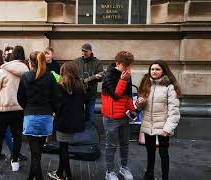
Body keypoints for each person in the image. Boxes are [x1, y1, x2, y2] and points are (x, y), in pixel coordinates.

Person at [0, 45, 29, 173]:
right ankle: (15, 162)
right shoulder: (27, 71)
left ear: (11, 56)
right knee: (17, 136)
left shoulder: (3, 70)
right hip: (19, 108)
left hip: (3, 108)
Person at [17, 51, 58, 180]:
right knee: (37, 152)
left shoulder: (25, 77)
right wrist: (52, 111)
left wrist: (27, 108)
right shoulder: (50, 77)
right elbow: (56, 98)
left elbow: (20, 98)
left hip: (31, 117)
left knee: (35, 152)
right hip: (46, 117)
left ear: (30, 62)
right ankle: (32, 177)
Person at [137, 60, 181, 180]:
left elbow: (174, 110)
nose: (154, 71)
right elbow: (139, 106)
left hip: (163, 126)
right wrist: (139, 102)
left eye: (157, 69)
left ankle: (164, 177)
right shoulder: (146, 84)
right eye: (152, 69)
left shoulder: (170, 87)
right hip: (148, 124)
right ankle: (149, 175)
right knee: (150, 153)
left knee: (163, 154)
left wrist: (168, 128)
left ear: (163, 71)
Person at [101, 51, 135, 180]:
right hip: (111, 117)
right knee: (111, 145)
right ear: (117, 63)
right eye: (124, 66)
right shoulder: (109, 75)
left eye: (129, 66)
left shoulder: (126, 75)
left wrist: (132, 110)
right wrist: (122, 80)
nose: (127, 69)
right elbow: (115, 95)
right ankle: (109, 172)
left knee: (125, 144)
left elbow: (128, 95)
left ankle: (124, 168)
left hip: (124, 117)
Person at [47, 62, 84, 180]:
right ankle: (59, 172)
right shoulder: (80, 86)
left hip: (63, 122)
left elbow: (56, 105)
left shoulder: (61, 87)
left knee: (63, 149)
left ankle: (68, 175)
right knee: (64, 147)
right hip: (75, 122)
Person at [74, 43, 104, 122]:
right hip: (79, 93)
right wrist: (89, 78)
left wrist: (98, 77)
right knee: (78, 114)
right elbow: (73, 76)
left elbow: (102, 75)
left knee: (90, 116)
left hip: (91, 93)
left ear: (91, 51)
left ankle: (89, 133)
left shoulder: (97, 62)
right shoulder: (77, 61)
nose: (84, 53)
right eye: (82, 51)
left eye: (86, 51)